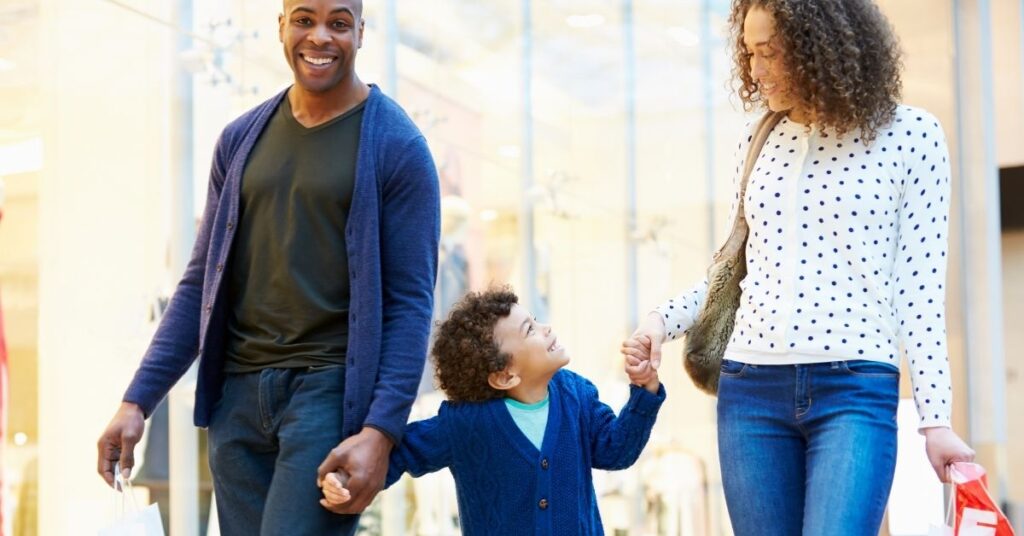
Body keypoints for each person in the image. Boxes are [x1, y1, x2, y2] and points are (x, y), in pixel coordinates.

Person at [622, 1, 975, 534]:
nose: (756, 71)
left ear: (822, 47)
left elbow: (920, 295)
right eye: (749, 53)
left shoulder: (912, 135)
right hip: (749, 389)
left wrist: (936, 420)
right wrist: (659, 322)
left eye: (771, 52)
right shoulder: (758, 138)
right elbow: (733, 270)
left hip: (855, 389)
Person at [96, 0, 440, 533]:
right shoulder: (240, 139)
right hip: (236, 396)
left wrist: (381, 429)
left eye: (339, 24)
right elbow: (199, 285)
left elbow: (411, 301)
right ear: (281, 26)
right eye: (304, 19)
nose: (320, 37)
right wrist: (138, 399)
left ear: (361, 33)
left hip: (326, 395)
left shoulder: (398, 147)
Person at [321, 287, 665, 535]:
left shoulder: (576, 394)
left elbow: (615, 450)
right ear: (504, 375)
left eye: (535, 320)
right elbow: (396, 455)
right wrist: (344, 480)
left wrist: (645, 391)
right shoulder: (466, 424)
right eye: (530, 329)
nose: (545, 328)